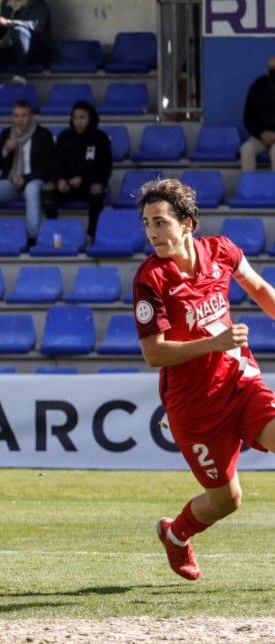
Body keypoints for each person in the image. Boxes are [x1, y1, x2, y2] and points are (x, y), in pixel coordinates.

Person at [133, 177, 275, 582]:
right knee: (227, 501)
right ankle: (175, 535)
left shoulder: (222, 251)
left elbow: (260, 288)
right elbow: (153, 353)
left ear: (187, 224)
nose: (153, 232)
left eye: (161, 222)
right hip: (193, 405)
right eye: (147, 223)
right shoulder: (151, 279)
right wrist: (213, 342)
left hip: (239, 380)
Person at [0, 99, 57, 239]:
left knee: (31, 188)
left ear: (31, 116)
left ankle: (32, 236)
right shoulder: (6, 134)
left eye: (24, 115)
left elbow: (49, 168)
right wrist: (5, 150)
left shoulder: (43, 135)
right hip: (11, 181)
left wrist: (26, 179)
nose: (19, 120)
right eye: (16, 115)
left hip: (34, 181)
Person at [43, 100, 111, 240]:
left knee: (97, 190)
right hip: (66, 186)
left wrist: (83, 179)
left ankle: (92, 234)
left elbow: (105, 169)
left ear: (90, 118)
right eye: (75, 118)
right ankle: (53, 231)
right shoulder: (64, 137)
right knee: (48, 188)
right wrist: (60, 180)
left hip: (88, 186)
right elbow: (55, 163)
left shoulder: (100, 138)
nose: (78, 122)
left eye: (82, 118)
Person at [0, 0, 53, 85]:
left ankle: (20, 75)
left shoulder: (38, 3)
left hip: (37, 50)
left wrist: (9, 22)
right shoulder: (6, 4)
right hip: (12, 50)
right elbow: (2, 35)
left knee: (19, 30)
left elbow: (36, 25)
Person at [240, 55, 275, 172]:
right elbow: (248, 117)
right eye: (271, 69)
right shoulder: (258, 85)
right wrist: (260, 133)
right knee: (246, 149)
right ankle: (249, 188)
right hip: (260, 136)